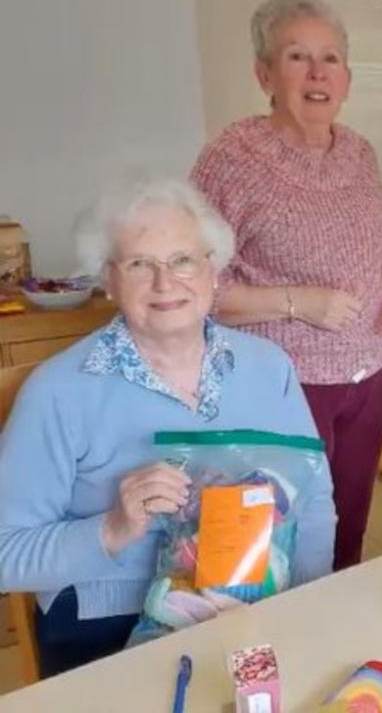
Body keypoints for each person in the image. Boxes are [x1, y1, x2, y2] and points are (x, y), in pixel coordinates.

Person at [0, 178, 336, 677]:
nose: (165, 283)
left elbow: (314, 501)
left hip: (256, 603)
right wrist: (111, 530)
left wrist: (301, 609)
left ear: (213, 270)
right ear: (108, 280)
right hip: (108, 628)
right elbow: (7, 551)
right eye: (139, 264)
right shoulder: (58, 392)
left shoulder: (269, 367)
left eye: (182, 260)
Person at [191, 0, 382, 570]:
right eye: (296, 57)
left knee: (348, 525)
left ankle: (336, 634)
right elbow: (194, 286)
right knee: (281, 535)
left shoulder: (358, 152)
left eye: (329, 58)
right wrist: (296, 303)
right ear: (264, 74)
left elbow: (380, 251)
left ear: (348, 77)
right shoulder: (231, 158)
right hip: (283, 381)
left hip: (369, 374)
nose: (316, 73)